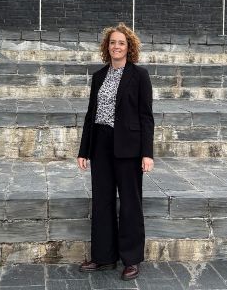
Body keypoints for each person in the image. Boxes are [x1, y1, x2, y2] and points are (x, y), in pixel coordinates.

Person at [76, 22, 154, 281]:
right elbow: (91, 115)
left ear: (129, 47)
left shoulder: (139, 75)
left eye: (121, 42)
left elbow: (146, 117)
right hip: (100, 144)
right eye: (112, 42)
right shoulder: (99, 76)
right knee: (102, 201)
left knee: (130, 203)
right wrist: (84, 150)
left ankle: (131, 259)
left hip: (128, 147)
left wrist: (147, 153)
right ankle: (104, 256)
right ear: (106, 47)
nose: (116, 46)